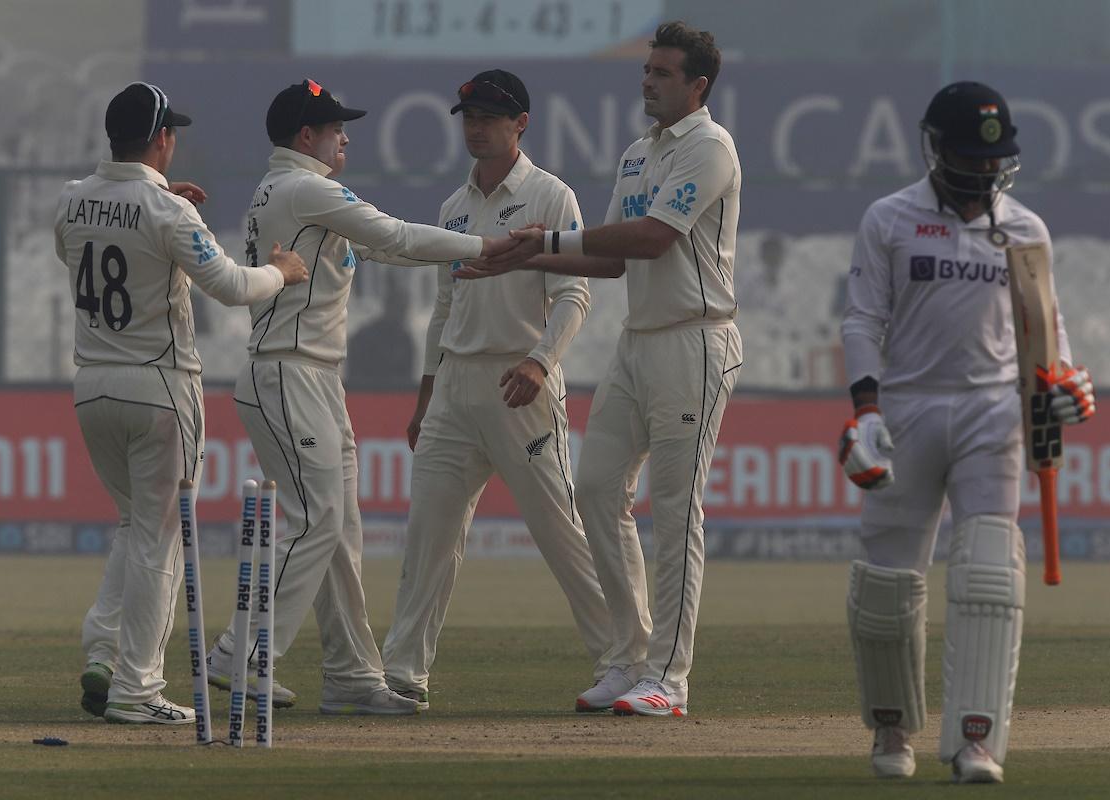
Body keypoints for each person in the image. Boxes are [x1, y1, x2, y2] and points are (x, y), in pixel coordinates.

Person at [204, 79, 542, 716]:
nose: (345, 138)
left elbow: (385, 249)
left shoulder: (287, 191)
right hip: (287, 374)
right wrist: (486, 246)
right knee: (318, 521)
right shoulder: (307, 187)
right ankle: (241, 652)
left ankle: (352, 674)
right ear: (308, 137)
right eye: (336, 129)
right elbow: (398, 236)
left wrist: (464, 259)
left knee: (339, 531)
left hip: (315, 378)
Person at [460, 22, 742, 717]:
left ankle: (669, 682)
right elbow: (609, 260)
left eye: (664, 73)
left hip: (695, 343)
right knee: (594, 492)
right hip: (638, 340)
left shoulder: (709, 147)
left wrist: (545, 238)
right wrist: (523, 255)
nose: (648, 80)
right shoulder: (637, 154)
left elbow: (652, 239)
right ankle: (628, 660)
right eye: (647, 69)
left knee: (674, 512)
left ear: (697, 85)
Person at [837, 81, 1096, 783]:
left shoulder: (1026, 229)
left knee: (987, 571)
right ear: (934, 148)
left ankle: (975, 741)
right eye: (969, 158)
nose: (984, 172)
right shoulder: (889, 218)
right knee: (889, 583)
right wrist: (864, 412)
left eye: (994, 160)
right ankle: (892, 731)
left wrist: (1066, 380)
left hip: (994, 410)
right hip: (908, 407)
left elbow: (1048, 329)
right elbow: (863, 320)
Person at [55, 82, 309, 725]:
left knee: (132, 525)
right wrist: (283, 270)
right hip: (160, 387)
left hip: (92, 387)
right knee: (162, 539)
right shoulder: (168, 211)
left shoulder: (72, 199)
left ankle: (104, 650)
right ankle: (137, 689)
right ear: (163, 139)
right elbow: (230, 287)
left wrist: (157, 208)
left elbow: (83, 245)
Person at [381, 69, 615, 711]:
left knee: (562, 533)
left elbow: (575, 292)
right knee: (429, 535)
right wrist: (426, 395)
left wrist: (541, 362)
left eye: (488, 115)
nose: (475, 126)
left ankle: (625, 662)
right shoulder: (454, 208)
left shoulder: (550, 197)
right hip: (456, 388)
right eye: (468, 115)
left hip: (522, 387)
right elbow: (444, 306)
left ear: (521, 124)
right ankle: (403, 673)